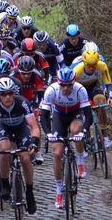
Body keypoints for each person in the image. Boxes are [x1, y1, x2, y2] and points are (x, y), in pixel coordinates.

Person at [39, 67, 94, 207]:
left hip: (75, 113)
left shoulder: (80, 90)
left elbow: (88, 115)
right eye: (62, 85)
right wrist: (49, 134)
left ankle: (80, 162)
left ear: (73, 83)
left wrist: (84, 131)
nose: (65, 88)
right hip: (59, 115)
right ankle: (58, 191)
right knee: (57, 153)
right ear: (58, 83)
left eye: (68, 85)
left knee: (76, 130)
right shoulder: (51, 90)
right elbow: (44, 116)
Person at [0, 77, 40, 214]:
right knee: (3, 149)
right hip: (3, 127)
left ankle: (29, 192)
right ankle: (4, 183)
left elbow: (34, 127)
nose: (8, 97)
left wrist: (34, 142)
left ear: (14, 93)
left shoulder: (23, 103)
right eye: (4, 94)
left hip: (21, 127)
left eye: (10, 93)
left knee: (25, 157)